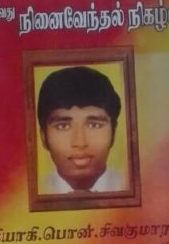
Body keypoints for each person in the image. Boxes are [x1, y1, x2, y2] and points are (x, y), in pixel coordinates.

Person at [37, 66, 125, 194]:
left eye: (94, 125)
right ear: (43, 137)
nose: (80, 142)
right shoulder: (23, 196)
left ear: (114, 133)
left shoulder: (135, 186)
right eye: (63, 126)